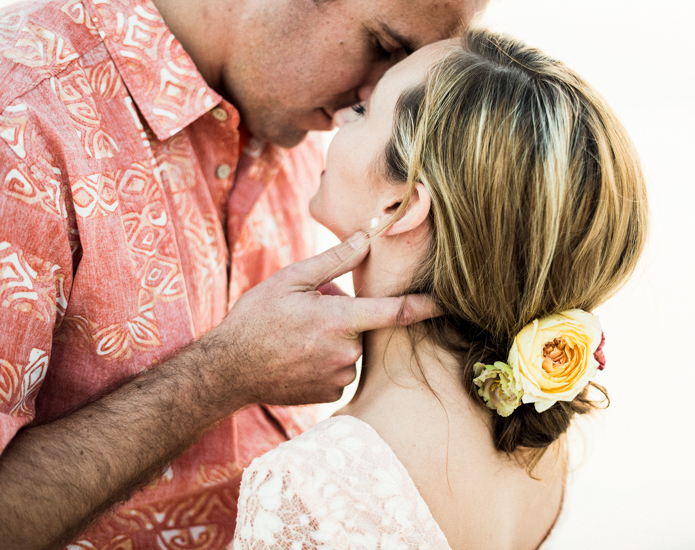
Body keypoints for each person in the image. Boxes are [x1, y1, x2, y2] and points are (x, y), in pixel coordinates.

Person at [0, 0, 486, 547]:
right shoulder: (21, 120)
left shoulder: (302, 126)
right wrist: (224, 376)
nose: (376, 95)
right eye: (384, 46)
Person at [233, 28, 649, 549]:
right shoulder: (539, 449)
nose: (341, 115)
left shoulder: (314, 483)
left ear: (401, 206)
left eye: (365, 112)